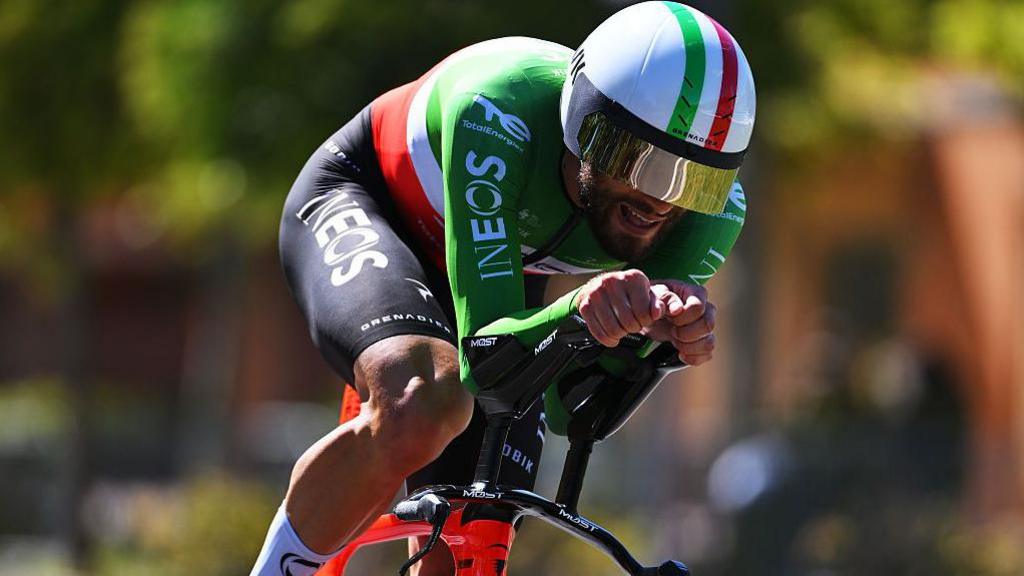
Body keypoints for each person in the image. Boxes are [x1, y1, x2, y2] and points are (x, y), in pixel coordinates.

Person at [250, 2, 755, 575]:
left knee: (476, 534)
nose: (660, 201)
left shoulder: (710, 217)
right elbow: (485, 358)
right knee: (425, 400)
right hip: (373, 201)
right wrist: (581, 310)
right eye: (639, 162)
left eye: (696, 181)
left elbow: (572, 411)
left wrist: (649, 342)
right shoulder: (497, 111)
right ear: (579, 124)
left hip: (501, 274)